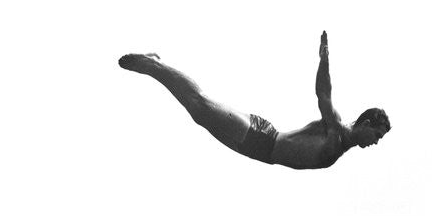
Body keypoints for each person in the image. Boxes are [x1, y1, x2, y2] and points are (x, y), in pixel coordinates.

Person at [118, 32, 391, 170]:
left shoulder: (340, 147)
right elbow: (323, 95)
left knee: (198, 116)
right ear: (365, 122)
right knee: (201, 107)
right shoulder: (336, 130)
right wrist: (325, 59)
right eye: (376, 134)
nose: (375, 141)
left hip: (257, 151)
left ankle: (156, 66)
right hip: (264, 138)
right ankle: (153, 65)